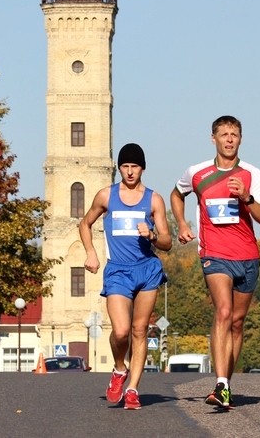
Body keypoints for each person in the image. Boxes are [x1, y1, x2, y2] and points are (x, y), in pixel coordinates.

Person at [171, 115, 260, 409]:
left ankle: (227, 379)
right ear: (212, 138)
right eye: (224, 134)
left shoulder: (252, 173)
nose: (229, 139)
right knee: (224, 312)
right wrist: (182, 223)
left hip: (248, 256)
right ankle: (221, 383)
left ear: (241, 139)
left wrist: (247, 198)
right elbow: (177, 194)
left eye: (234, 134)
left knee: (237, 323)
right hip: (214, 254)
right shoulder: (197, 172)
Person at [79, 143, 172, 410]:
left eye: (135, 166)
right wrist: (91, 252)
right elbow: (85, 223)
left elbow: (167, 242)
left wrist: (153, 235)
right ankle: (120, 368)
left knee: (139, 330)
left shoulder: (154, 200)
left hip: (147, 270)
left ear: (142, 168)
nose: (130, 172)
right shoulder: (106, 196)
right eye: (125, 166)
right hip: (118, 269)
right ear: (119, 168)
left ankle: (133, 388)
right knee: (121, 332)